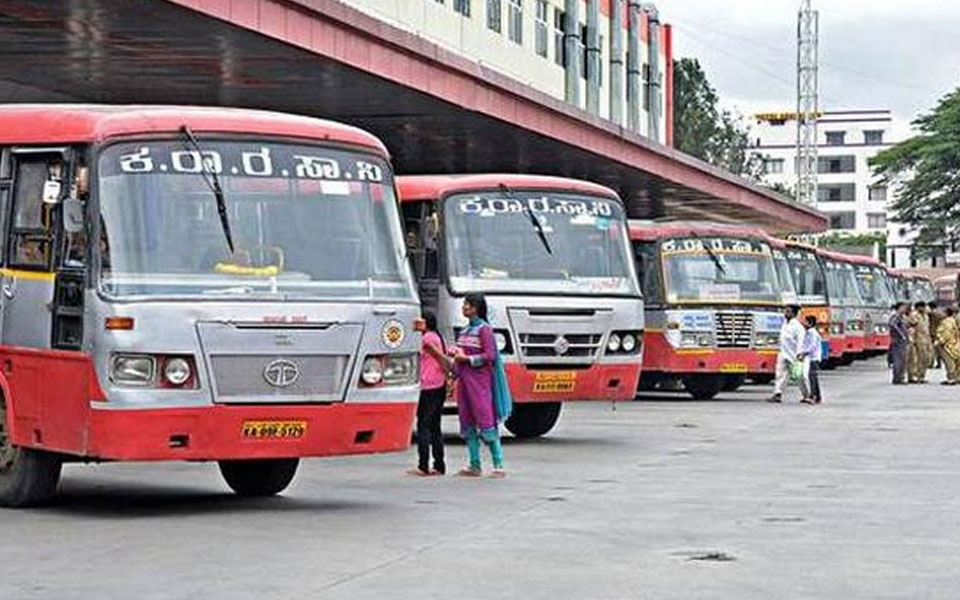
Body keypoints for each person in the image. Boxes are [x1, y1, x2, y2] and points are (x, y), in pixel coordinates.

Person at [452, 293, 512, 478]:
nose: (464, 308)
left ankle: (498, 464)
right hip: (464, 382)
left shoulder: (484, 330)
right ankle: (474, 464)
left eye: (467, 305)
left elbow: (491, 356)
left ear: (476, 308)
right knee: (467, 421)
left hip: (480, 383)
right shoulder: (463, 331)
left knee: (486, 420)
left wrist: (468, 359)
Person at [408, 311, 448, 477]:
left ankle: (423, 465)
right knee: (435, 426)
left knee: (423, 426)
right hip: (439, 384)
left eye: (420, 321)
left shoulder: (426, 339)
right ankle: (439, 465)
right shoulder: (437, 337)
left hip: (428, 386)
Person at [769, 304, 805, 403]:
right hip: (783, 353)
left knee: (798, 376)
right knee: (780, 374)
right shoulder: (785, 324)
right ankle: (778, 393)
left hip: (794, 355)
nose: (786, 313)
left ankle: (806, 395)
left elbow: (800, 342)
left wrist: (799, 354)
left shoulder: (798, 327)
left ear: (794, 313)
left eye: (788, 311)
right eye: (785, 311)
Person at [800, 315, 823, 404]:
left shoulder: (812, 333)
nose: (803, 323)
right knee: (813, 377)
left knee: (812, 377)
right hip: (810, 357)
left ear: (810, 323)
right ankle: (817, 396)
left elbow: (811, 346)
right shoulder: (808, 332)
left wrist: (804, 353)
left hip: (813, 357)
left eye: (805, 321)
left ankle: (813, 396)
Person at [935, 306, 960, 385]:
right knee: (955, 362)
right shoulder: (953, 320)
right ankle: (957, 377)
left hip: (947, 345)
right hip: (955, 343)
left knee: (949, 362)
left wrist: (939, 342)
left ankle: (951, 378)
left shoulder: (947, 322)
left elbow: (946, 334)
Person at [907, 301, 931, 383]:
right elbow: (911, 328)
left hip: (925, 340)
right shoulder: (914, 315)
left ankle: (921, 376)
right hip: (916, 340)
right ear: (919, 307)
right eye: (924, 307)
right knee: (914, 359)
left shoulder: (926, 316)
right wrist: (912, 340)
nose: (925, 309)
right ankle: (913, 376)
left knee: (925, 359)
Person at [889, 302, 910, 385]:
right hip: (898, 340)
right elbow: (892, 324)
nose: (905, 309)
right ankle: (897, 378)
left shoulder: (902, 317)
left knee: (903, 360)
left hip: (903, 341)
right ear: (899, 308)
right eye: (903, 307)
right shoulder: (896, 316)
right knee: (898, 359)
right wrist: (902, 335)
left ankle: (901, 377)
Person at [928, 302, 944, 368]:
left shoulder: (931, 313)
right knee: (938, 349)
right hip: (939, 333)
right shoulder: (941, 313)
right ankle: (939, 363)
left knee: (931, 349)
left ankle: (931, 363)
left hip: (932, 333)